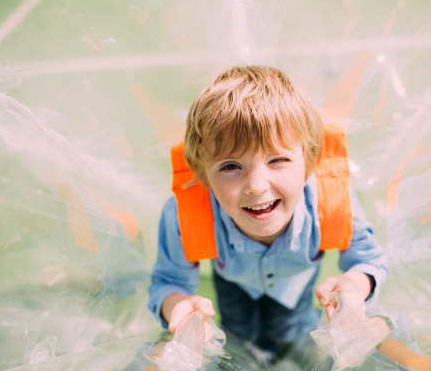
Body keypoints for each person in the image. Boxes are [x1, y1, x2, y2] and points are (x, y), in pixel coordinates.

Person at [148, 65, 390, 357]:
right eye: (230, 166)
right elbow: (169, 281)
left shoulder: (332, 199)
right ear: (203, 176)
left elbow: (369, 259)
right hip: (234, 281)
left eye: (277, 160)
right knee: (237, 334)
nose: (257, 186)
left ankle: (285, 347)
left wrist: (353, 284)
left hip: (295, 285)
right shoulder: (184, 212)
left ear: (310, 161)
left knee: (291, 331)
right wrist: (177, 304)